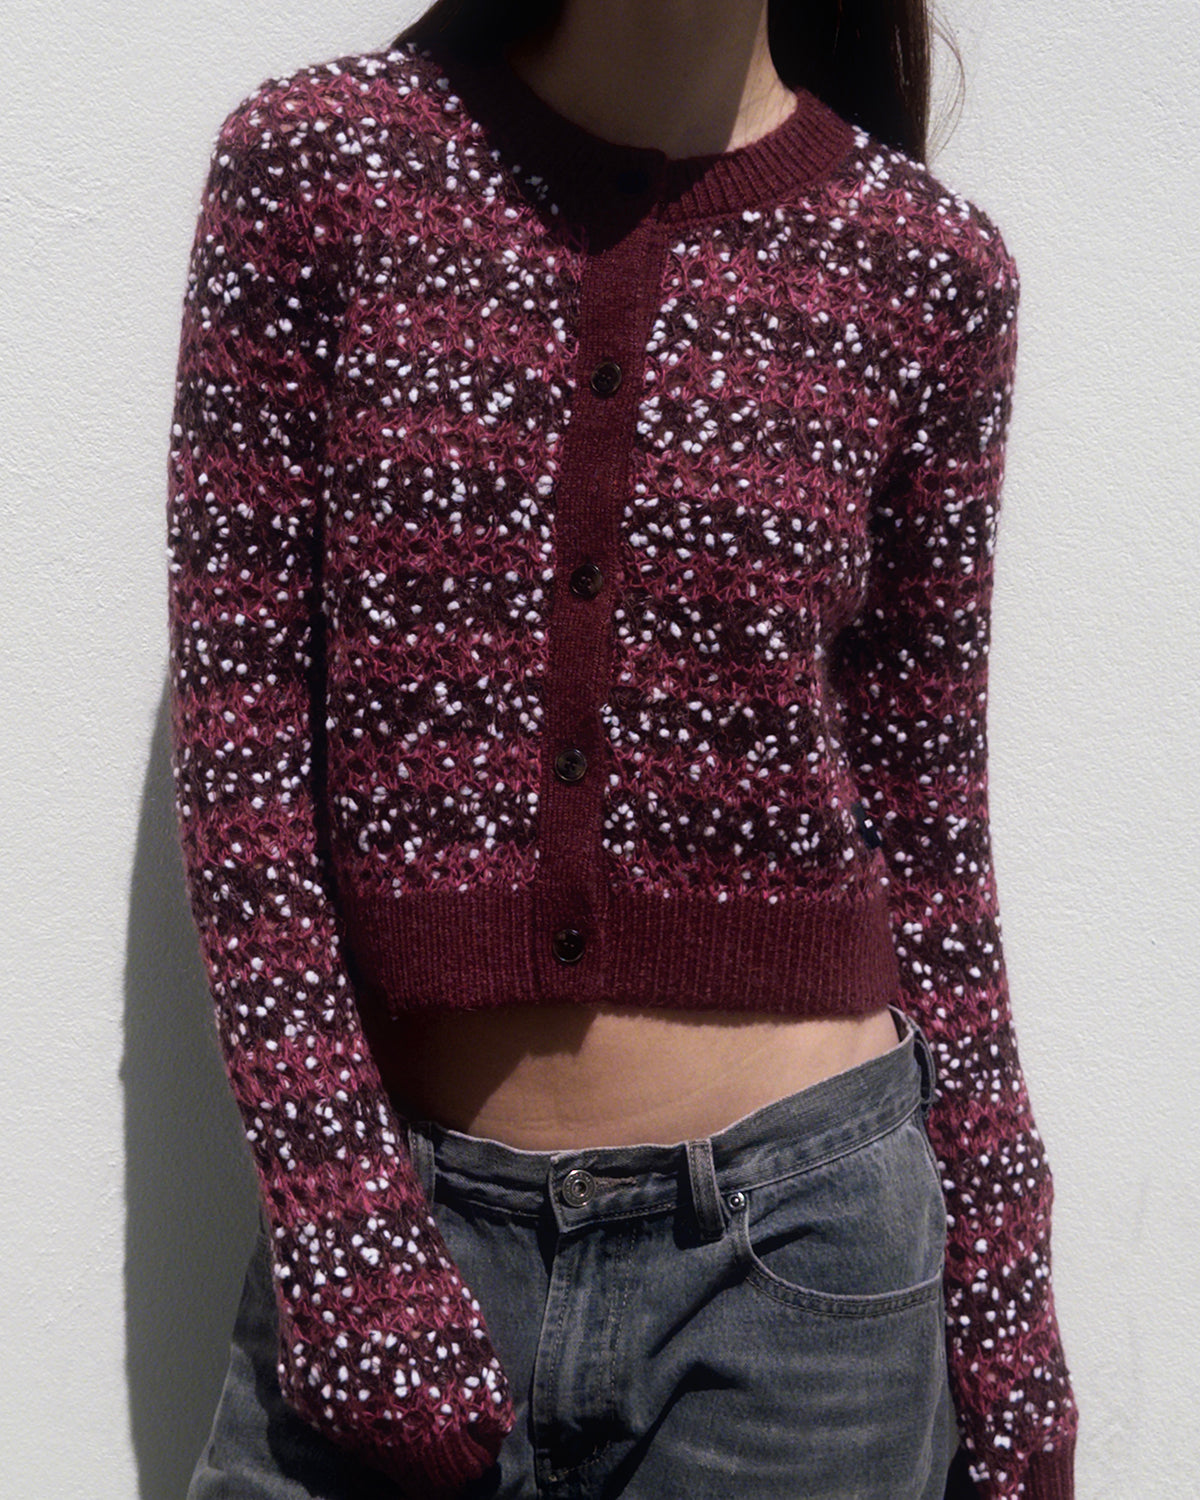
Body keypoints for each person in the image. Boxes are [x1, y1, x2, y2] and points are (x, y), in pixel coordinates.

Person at [166, 1, 1077, 1496]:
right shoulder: (325, 168)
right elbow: (243, 751)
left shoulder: (929, 268)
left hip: (808, 1285)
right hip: (398, 1224)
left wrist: (1003, 1299)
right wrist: (340, 1218)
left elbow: (929, 829)